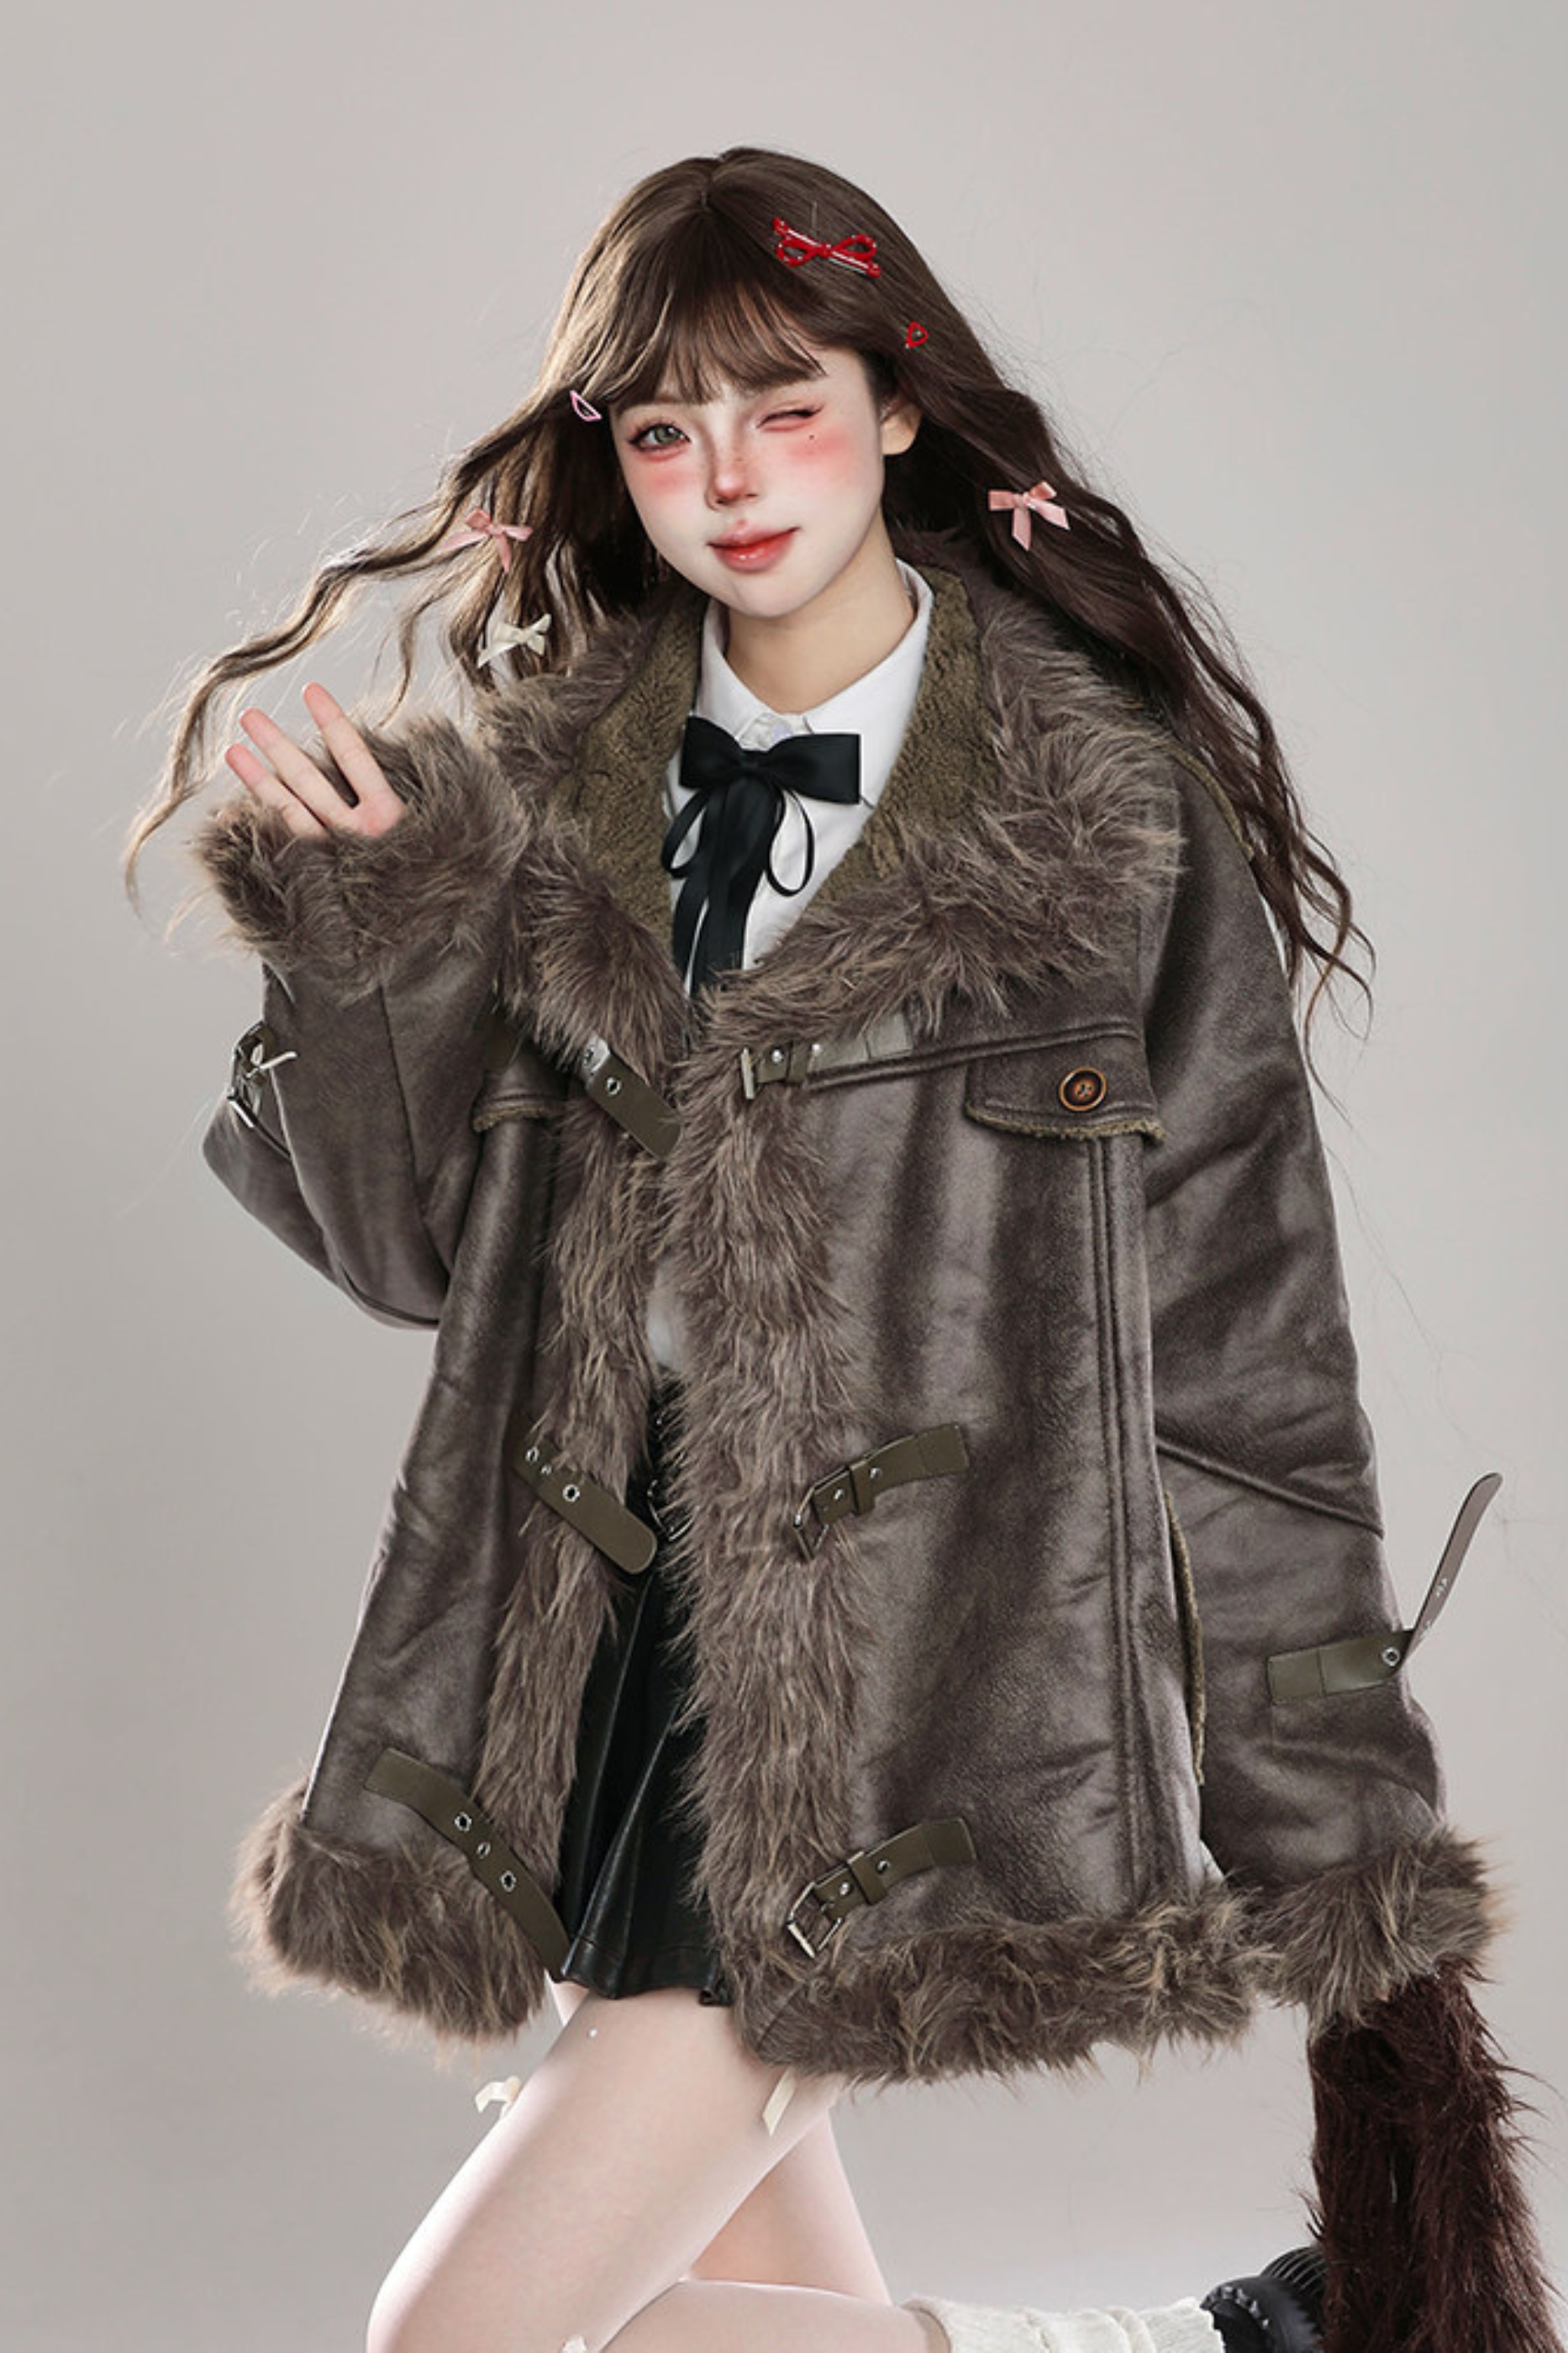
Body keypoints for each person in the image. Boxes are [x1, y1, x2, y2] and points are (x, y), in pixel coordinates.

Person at [124, 148, 1561, 2353]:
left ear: (896, 407)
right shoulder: (551, 792)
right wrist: (365, 946)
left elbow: (1243, 1336)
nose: (727, 478)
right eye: (662, 427)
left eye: (782, 408)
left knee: (462, 2339)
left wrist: (1329, 1805)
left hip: (915, 1671)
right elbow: (423, 1260)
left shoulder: (1102, 819)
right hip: (617, 1635)